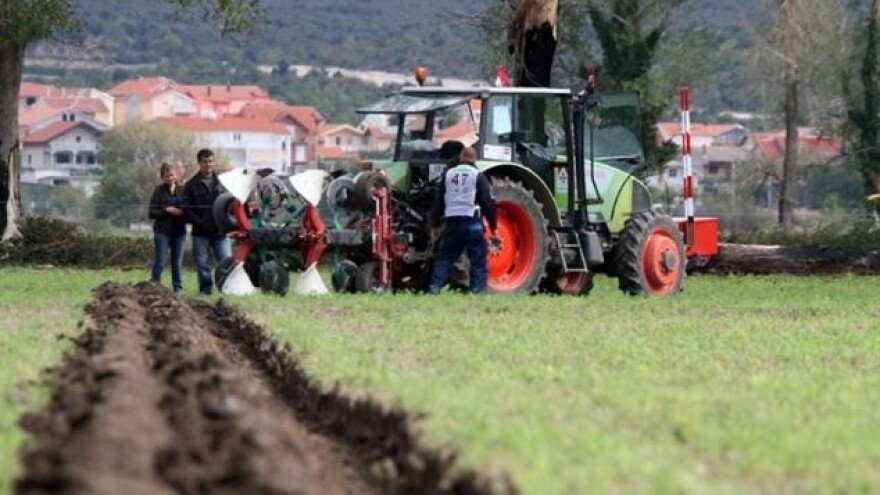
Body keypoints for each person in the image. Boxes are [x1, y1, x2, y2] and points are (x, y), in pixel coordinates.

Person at [427, 147, 499, 294]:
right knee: (478, 259)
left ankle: (434, 287)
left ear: (460, 158)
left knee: (446, 257)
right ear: (475, 160)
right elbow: (487, 203)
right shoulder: (478, 176)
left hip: (452, 222)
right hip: (472, 223)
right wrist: (493, 227)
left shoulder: (448, 175)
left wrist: (434, 225)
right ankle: (477, 290)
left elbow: (438, 201)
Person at [182, 148, 231, 295]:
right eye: (205, 162)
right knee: (202, 264)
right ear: (199, 163)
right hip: (200, 232)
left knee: (226, 262)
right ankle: (205, 291)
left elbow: (230, 203)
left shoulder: (223, 183)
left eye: (210, 161)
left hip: (220, 231)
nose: (208, 164)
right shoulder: (191, 185)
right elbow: (186, 208)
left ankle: (226, 289)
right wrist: (198, 221)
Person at [148, 162, 186, 293]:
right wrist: (167, 210)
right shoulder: (158, 191)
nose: (170, 178)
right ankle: (154, 287)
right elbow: (151, 212)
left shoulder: (182, 191)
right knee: (160, 260)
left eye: (172, 175)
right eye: (166, 176)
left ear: (176, 175)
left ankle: (177, 288)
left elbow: (188, 209)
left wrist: (182, 212)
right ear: (162, 177)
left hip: (179, 231)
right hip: (162, 231)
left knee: (177, 262)